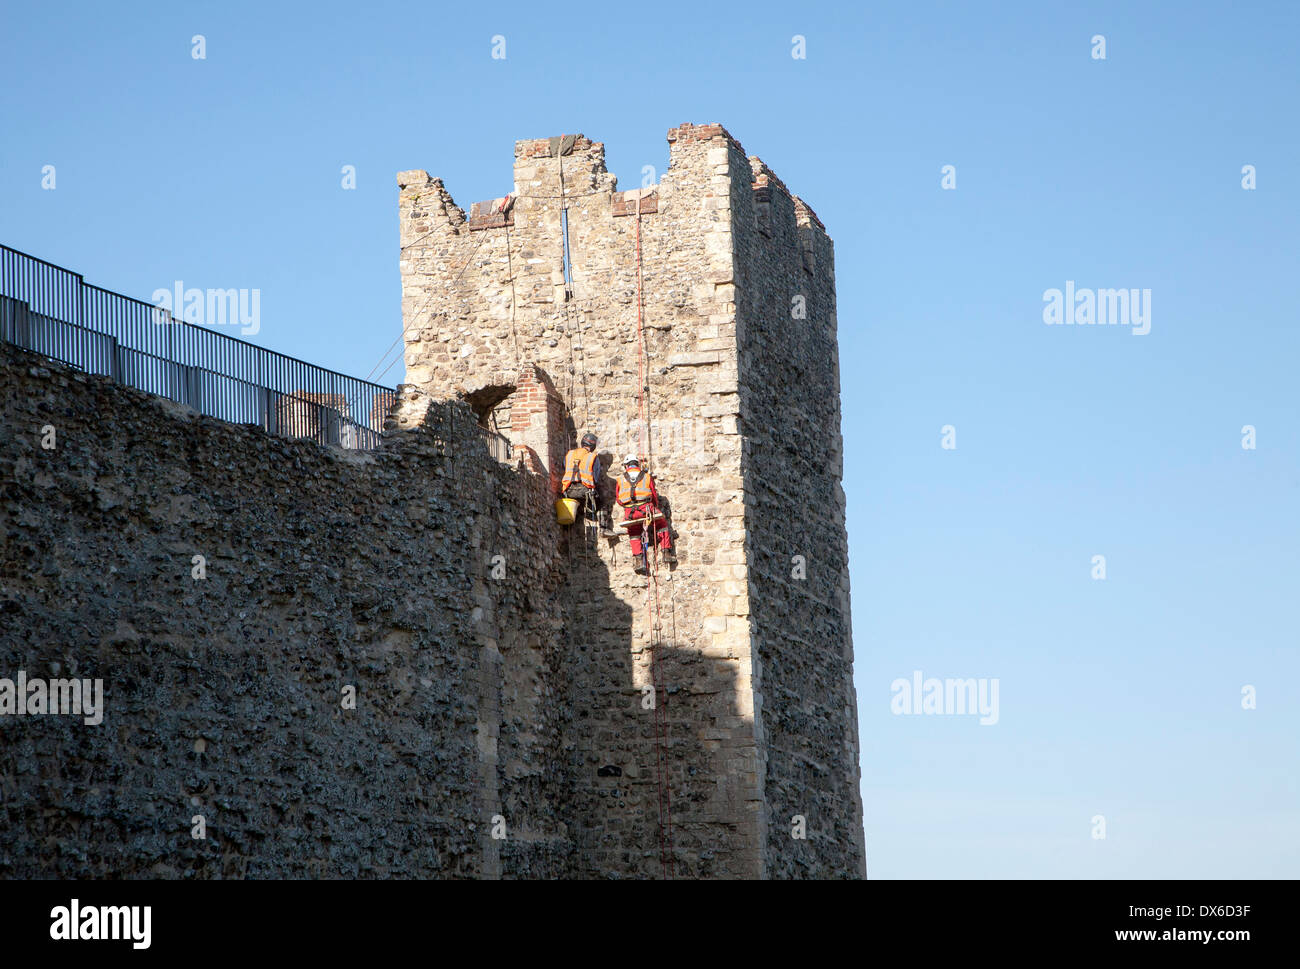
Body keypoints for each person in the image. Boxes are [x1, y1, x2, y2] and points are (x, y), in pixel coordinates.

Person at [615, 454, 674, 574]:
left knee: (634, 532)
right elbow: (653, 495)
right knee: (661, 524)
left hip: (630, 513)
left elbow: (619, 500)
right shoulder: (646, 477)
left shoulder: (620, 479)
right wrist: (654, 506)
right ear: (637, 464)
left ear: (626, 466)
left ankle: (639, 560)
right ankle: (666, 552)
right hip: (646, 509)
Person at [561, 432, 613, 533]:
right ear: (593, 446)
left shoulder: (569, 454)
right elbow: (595, 478)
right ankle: (604, 528)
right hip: (585, 491)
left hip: (568, 491)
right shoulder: (593, 457)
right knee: (602, 502)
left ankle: (569, 526)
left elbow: (564, 468)